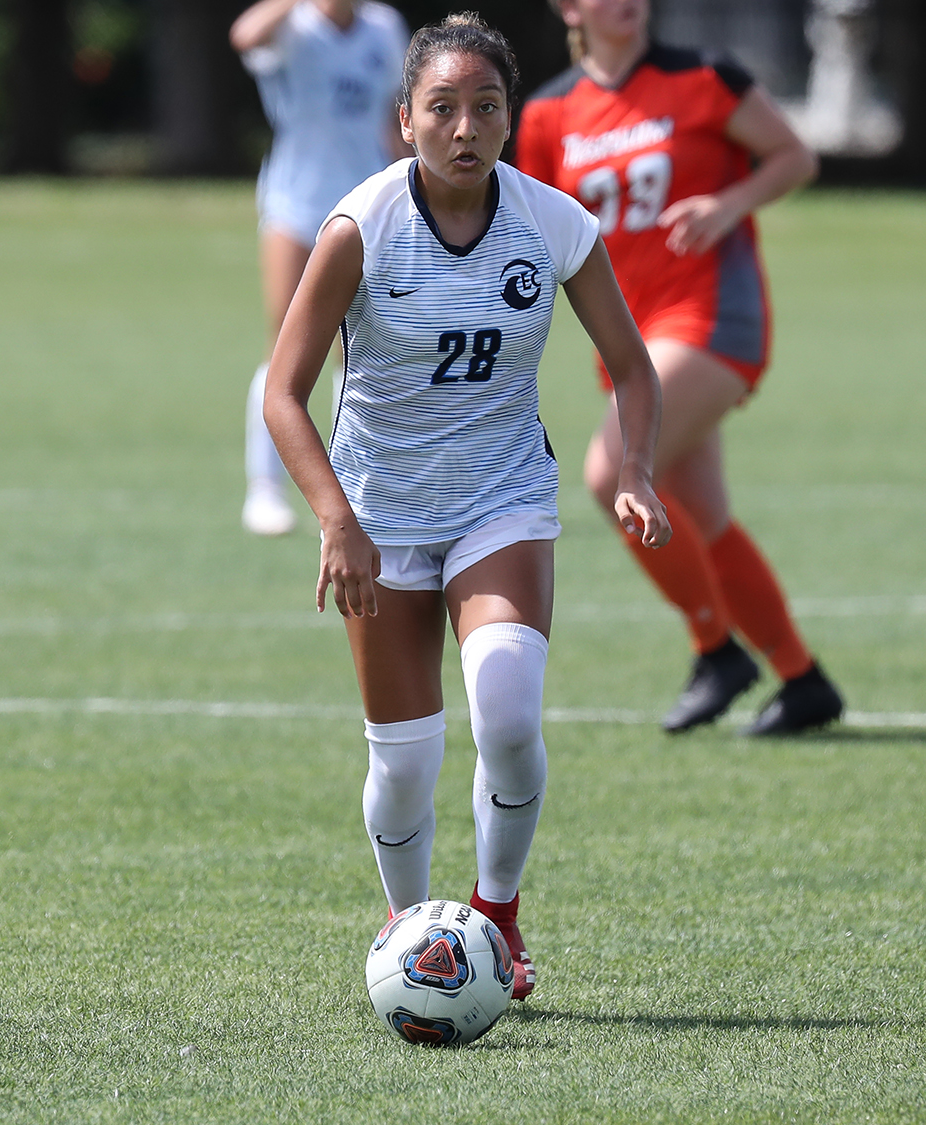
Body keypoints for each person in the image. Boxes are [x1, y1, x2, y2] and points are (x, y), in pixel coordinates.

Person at [262, 13, 669, 1002]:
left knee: (508, 713)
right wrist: (334, 519)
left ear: (507, 119)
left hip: (501, 501)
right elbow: (282, 391)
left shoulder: (553, 223)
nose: (463, 127)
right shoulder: (361, 226)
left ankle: (495, 918)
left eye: (484, 107)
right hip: (380, 518)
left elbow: (630, 367)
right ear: (404, 119)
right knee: (403, 768)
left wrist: (634, 469)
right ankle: (411, 938)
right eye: (441, 108)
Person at [515, 0, 845, 736]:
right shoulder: (546, 112)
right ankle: (802, 678)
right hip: (629, 339)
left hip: (709, 317)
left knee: (611, 475)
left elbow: (795, 155)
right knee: (701, 515)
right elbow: (529, 225)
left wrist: (729, 204)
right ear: (569, 7)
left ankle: (716, 651)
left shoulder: (703, 78)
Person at [231, 0, 409, 536]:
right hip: (296, 206)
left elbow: (396, 117)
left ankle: (353, 483)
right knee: (284, 340)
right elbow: (244, 35)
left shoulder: (383, 27)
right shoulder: (293, 24)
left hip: (365, 207)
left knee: (359, 347)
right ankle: (265, 489)